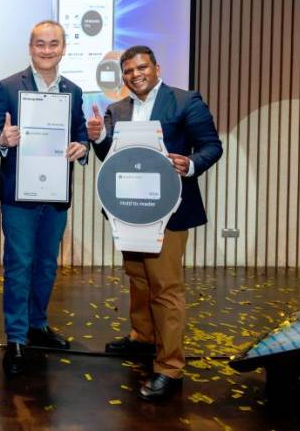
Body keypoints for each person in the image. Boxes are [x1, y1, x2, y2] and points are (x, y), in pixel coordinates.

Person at [87, 45, 223, 401]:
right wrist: (99, 136)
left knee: (165, 287)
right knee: (138, 279)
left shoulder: (184, 101)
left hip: (170, 212)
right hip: (130, 211)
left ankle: (169, 368)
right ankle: (143, 338)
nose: (135, 75)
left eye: (141, 67)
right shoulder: (118, 109)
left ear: (157, 68)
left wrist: (190, 164)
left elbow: (212, 146)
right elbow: (111, 156)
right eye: (129, 71)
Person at [0, 20, 89, 376]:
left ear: (63, 48)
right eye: (40, 44)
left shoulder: (74, 91)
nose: (47, 50)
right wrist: (4, 138)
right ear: (31, 48)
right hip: (19, 195)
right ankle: (16, 337)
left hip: (56, 194)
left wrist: (83, 145)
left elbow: (80, 135)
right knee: (19, 265)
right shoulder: (9, 87)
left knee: (46, 265)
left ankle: (37, 325)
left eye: (53, 44)